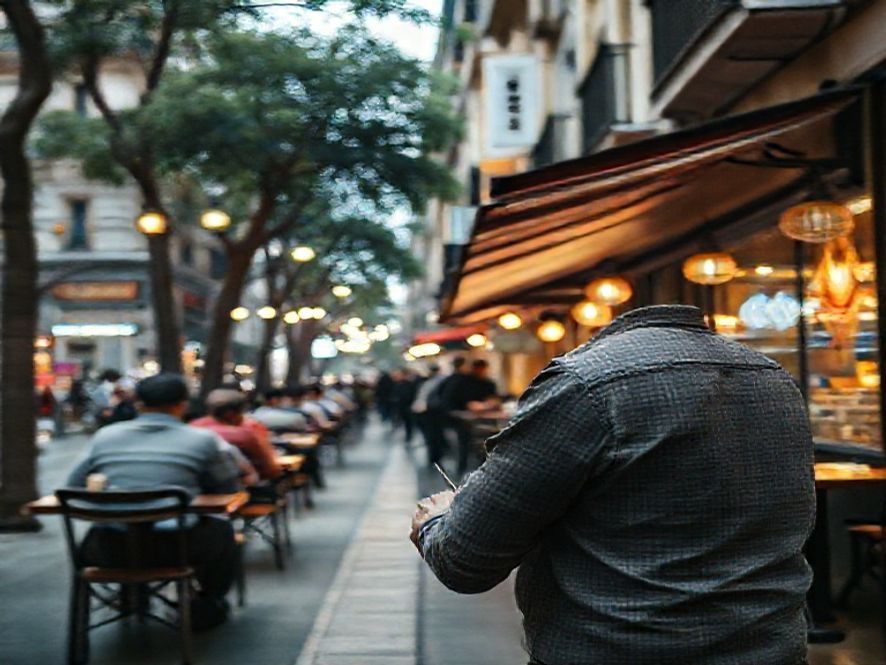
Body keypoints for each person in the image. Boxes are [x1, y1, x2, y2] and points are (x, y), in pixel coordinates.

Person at [411, 305, 815, 665]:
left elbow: (464, 560)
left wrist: (436, 520)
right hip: (771, 648)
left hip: (617, 650)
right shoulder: (773, 377)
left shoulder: (584, 382)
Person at [67, 374, 242, 630]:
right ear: (182, 404)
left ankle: (131, 597)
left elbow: (73, 484)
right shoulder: (202, 440)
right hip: (179, 547)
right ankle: (206, 605)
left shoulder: (105, 436)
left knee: (106, 532)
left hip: (108, 550)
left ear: (138, 403)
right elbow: (227, 487)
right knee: (224, 533)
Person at [190, 389, 283, 482]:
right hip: (235, 489)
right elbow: (271, 469)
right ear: (232, 413)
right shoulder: (243, 434)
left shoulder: (192, 427)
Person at [439, 359, 499, 476]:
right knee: (465, 442)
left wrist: (490, 403)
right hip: (464, 417)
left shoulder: (488, 383)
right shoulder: (464, 382)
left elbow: (493, 398)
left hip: (483, 416)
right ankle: (464, 467)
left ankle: (479, 466)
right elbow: (459, 400)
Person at [412, 364, 446, 465]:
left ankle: (434, 456)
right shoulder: (439, 381)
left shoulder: (428, 382)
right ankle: (435, 456)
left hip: (428, 411)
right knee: (433, 435)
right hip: (431, 411)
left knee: (431, 435)